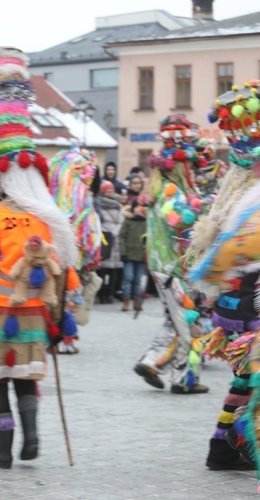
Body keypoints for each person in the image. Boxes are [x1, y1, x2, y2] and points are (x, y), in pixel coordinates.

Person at [0, 47, 80, 470]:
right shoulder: (49, 219)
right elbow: (64, 273)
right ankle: (31, 437)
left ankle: (2, 448)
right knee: (27, 377)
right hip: (35, 314)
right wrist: (60, 314)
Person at [185, 83, 260, 477]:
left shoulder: (235, 194)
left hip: (234, 304)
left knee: (246, 380)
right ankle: (234, 441)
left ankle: (223, 444)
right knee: (252, 381)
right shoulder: (253, 196)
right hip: (253, 304)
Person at [133, 114, 211, 394]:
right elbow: (180, 221)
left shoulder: (156, 191)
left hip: (160, 266)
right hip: (173, 269)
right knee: (189, 322)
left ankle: (152, 361)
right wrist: (205, 207)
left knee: (175, 320)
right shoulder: (173, 192)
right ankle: (183, 379)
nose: (191, 170)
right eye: (188, 166)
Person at [49, 145, 103, 353]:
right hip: (71, 256)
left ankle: (60, 337)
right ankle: (65, 339)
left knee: (61, 293)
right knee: (68, 293)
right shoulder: (80, 205)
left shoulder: (57, 204)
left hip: (65, 255)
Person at [118, 175, 147, 312]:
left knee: (137, 279)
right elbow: (121, 236)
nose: (138, 211)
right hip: (129, 254)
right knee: (128, 278)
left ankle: (136, 301)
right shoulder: (129, 220)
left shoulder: (146, 222)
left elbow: (149, 238)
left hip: (141, 254)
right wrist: (123, 252)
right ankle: (126, 301)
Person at [95, 181, 123, 304]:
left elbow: (121, 220)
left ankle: (110, 292)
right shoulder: (99, 205)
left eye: (112, 190)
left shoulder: (118, 204)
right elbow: (98, 221)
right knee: (103, 269)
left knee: (114, 269)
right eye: (108, 191)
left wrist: (115, 232)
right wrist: (106, 232)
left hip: (115, 239)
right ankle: (101, 292)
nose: (110, 193)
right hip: (105, 238)